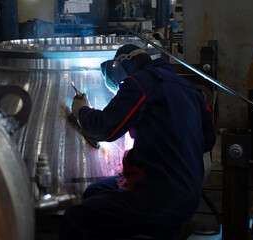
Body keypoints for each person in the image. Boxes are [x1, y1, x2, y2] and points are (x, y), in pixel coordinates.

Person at [60, 44, 216, 240]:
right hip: (190, 197)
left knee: (74, 219)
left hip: (158, 198)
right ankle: (165, 228)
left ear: (121, 68)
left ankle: (163, 228)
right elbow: (209, 140)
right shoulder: (190, 89)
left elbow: (106, 129)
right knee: (95, 191)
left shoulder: (139, 84)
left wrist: (82, 111)